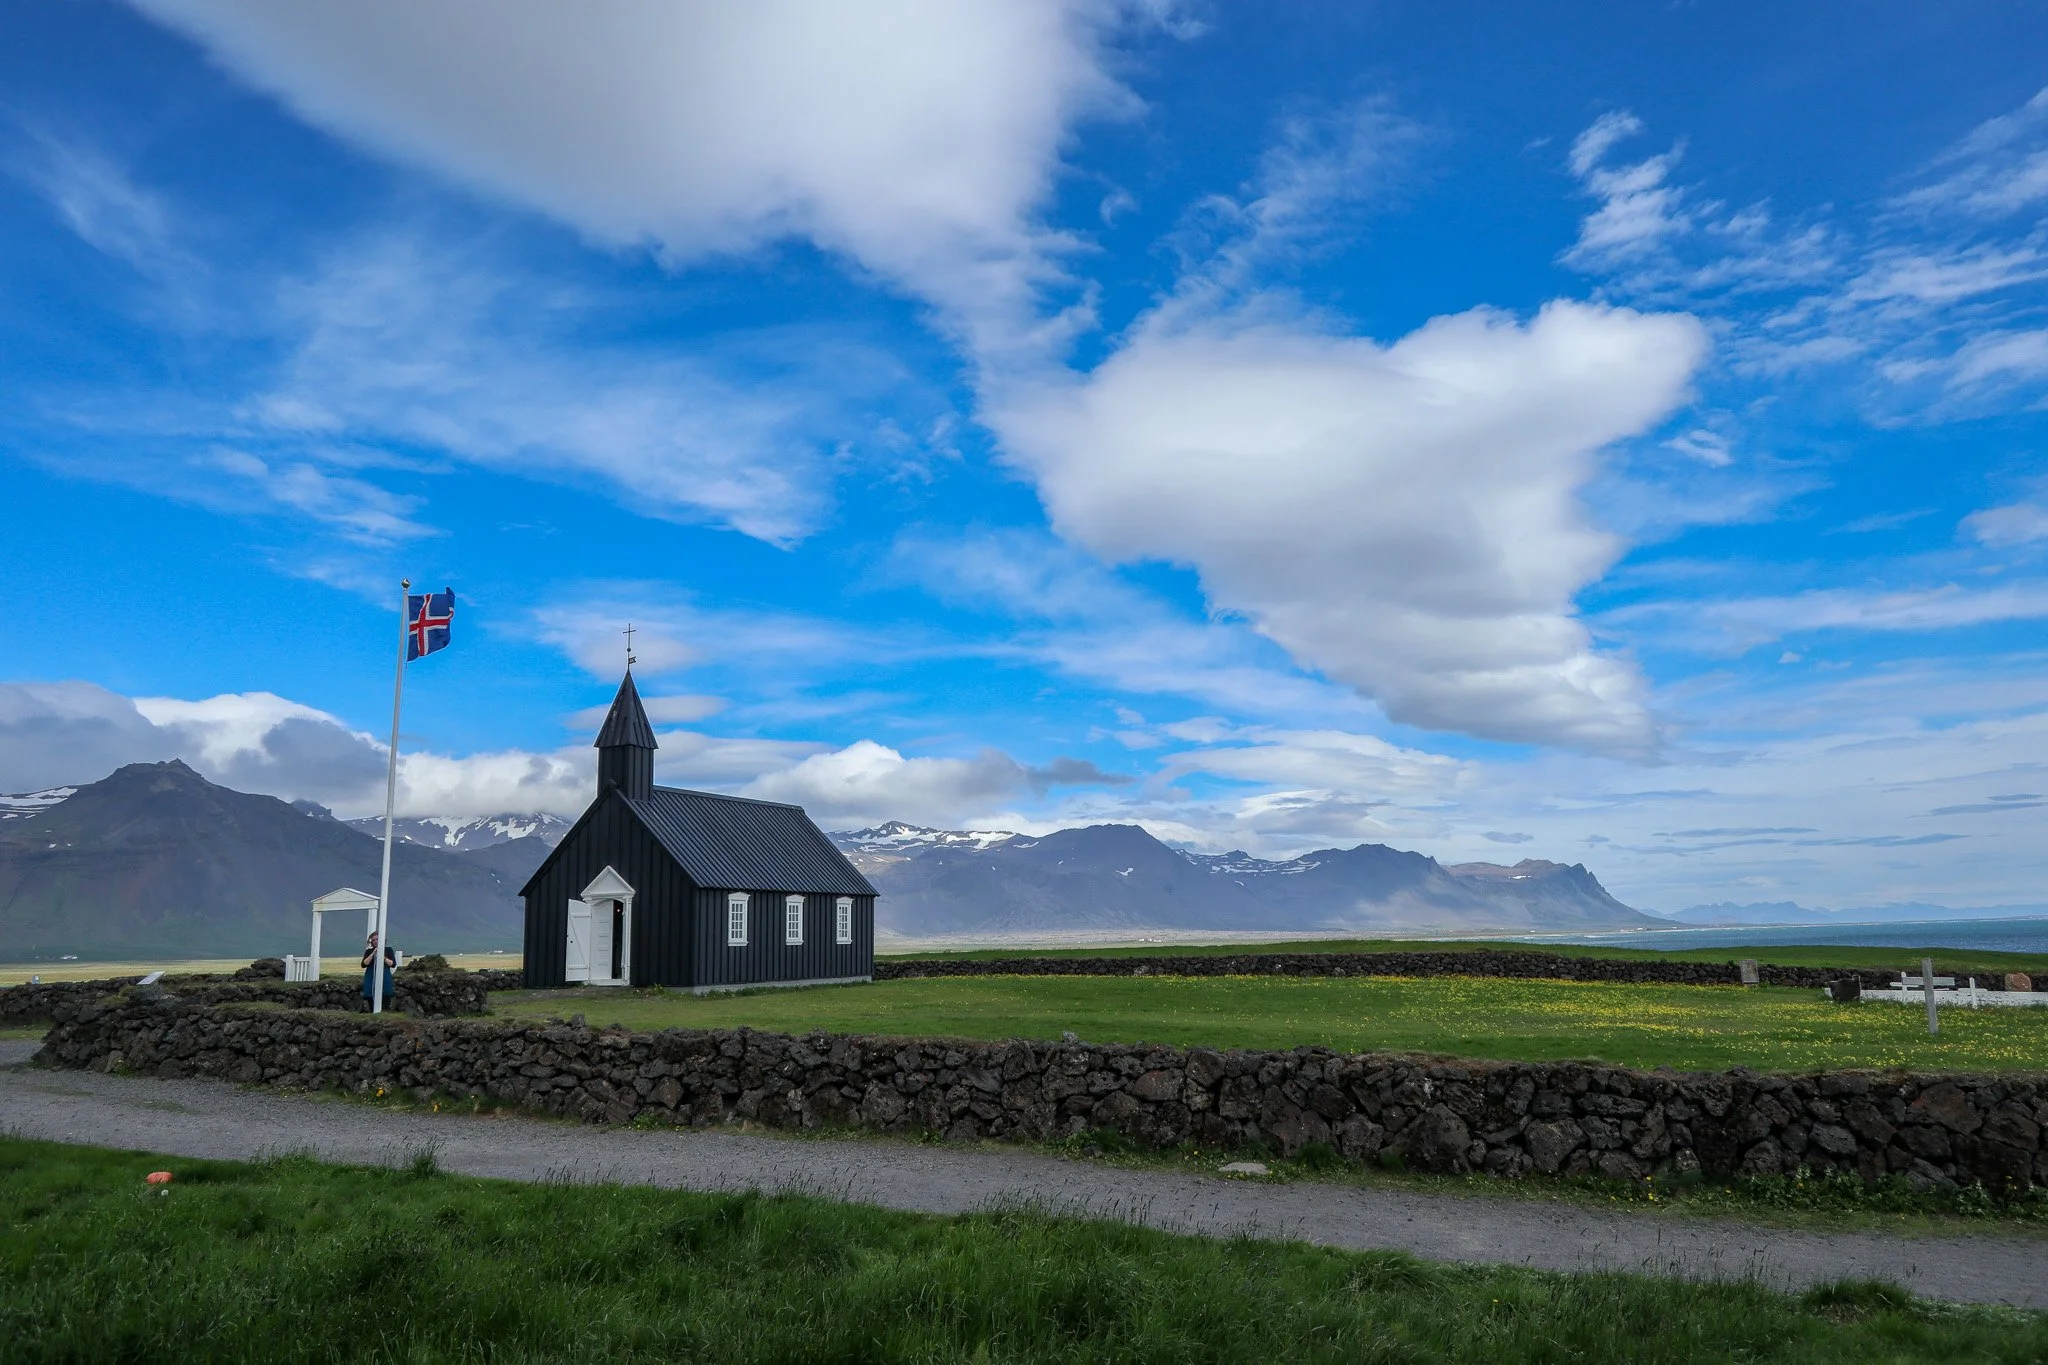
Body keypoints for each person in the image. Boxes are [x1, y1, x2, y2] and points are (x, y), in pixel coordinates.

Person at [360, 932, 396, 1005]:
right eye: (373, 940)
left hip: (384, 973)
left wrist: (383, 957)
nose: (375, 941)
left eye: (377, 939)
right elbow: (364, 964)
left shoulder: (388, 950)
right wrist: (373, 954)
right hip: (371, 974)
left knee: (387, 992)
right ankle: (372, 1009)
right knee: (369, 993)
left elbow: (393, 964)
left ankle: (385, 1010)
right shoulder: (368, 951)